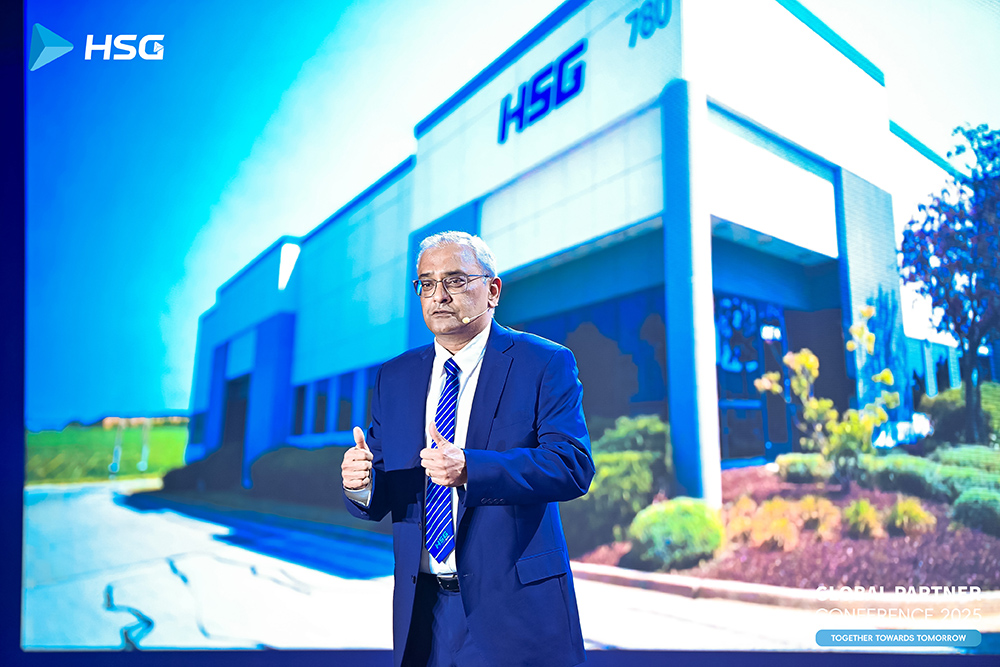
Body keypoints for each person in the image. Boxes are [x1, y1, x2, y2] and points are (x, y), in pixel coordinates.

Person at [341, 231, 594, 667]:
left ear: (492, 291)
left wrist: (470, 468)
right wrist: (360, 484)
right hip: (425, 614)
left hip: (516, 610)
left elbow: (571, 465)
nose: (439, 295)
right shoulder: (395, 377)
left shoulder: (544, 362)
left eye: (455, 281)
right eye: (427, 283)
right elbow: (385, 490)